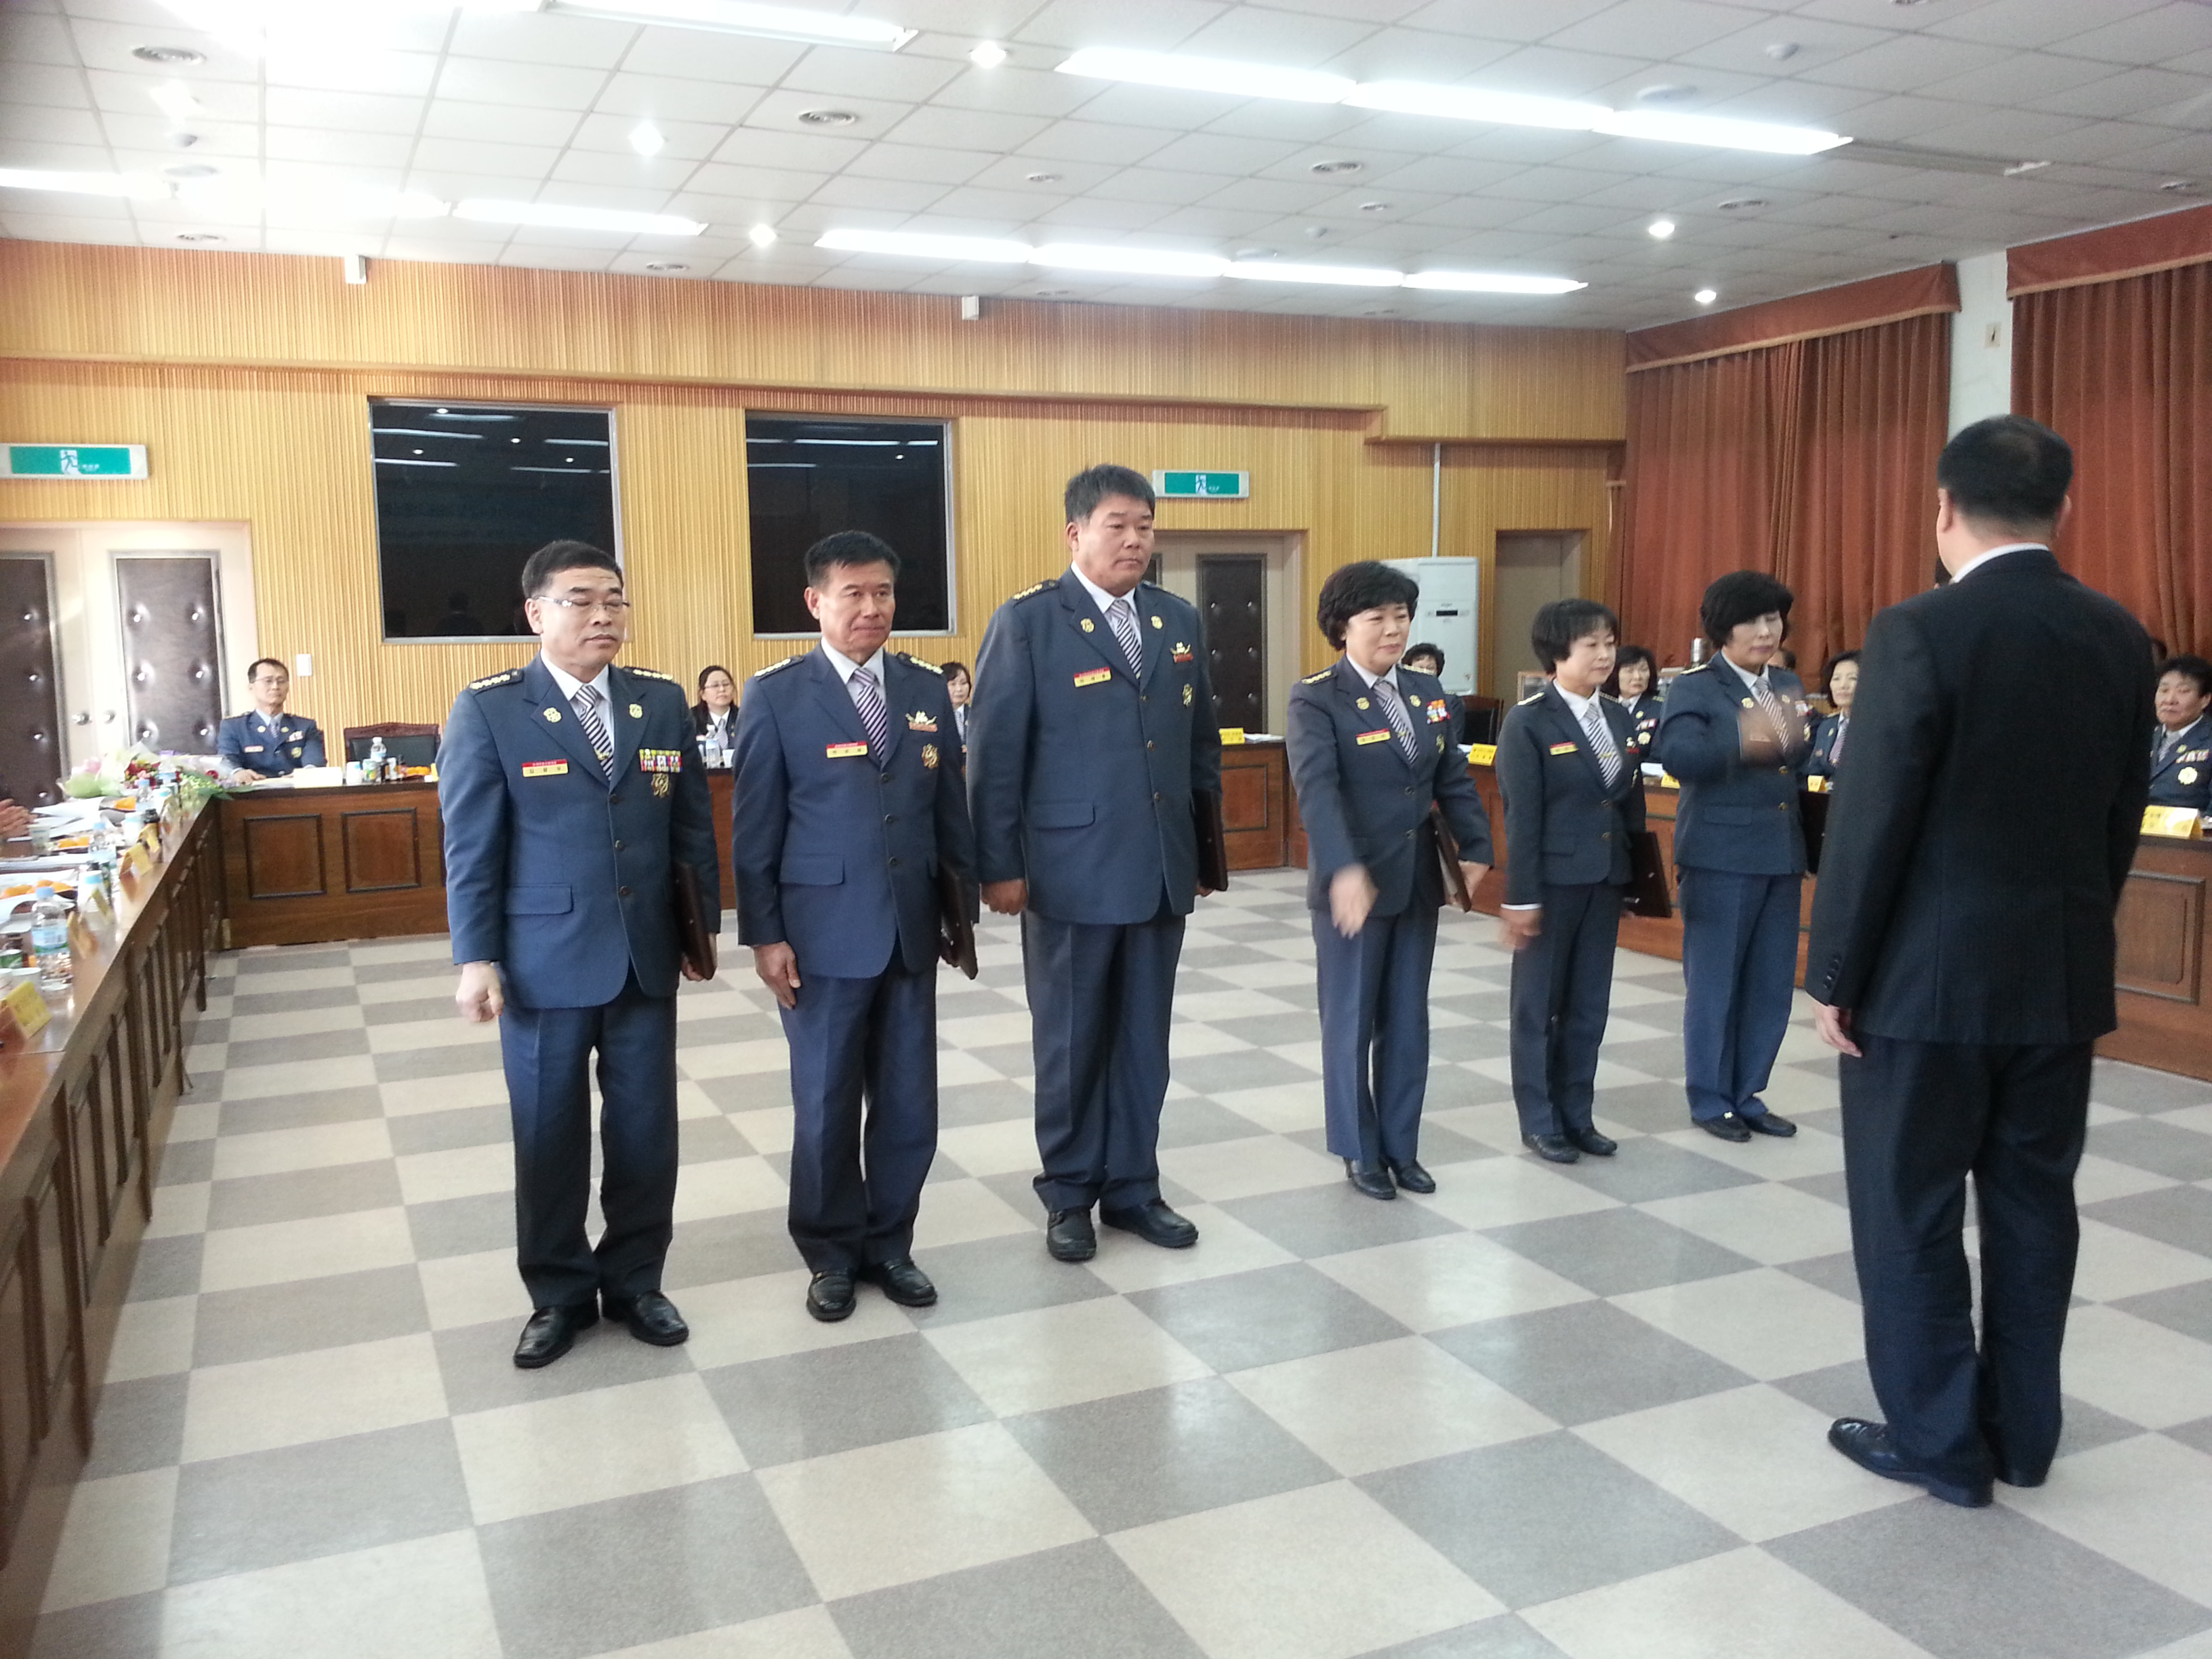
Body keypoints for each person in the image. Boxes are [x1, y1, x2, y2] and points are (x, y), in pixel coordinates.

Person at [1807, 415, 2153, 1509]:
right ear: (2065, 507)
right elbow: (2120, 815)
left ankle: (1939, 1443)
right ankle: (2021, 1433)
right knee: (2032, 1207)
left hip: (1923, 985)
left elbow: (1872, 820)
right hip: (2057, 977)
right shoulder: (2118, 634)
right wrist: (2070, 931)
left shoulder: (1918, 629)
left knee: (1907, 1207)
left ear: (1944, 506)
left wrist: (1834, 976)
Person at [439, 540, 720, 1369]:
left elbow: (691, 828)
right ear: (536, 613)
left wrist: (698, 931)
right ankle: (558, 1293)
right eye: (582, 600)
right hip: (542, 960)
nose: (604, 615)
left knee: (645, 1133)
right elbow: (471, 846)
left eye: (615, 600)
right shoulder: (492, 709)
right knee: (548, 1134)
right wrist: (476, 957)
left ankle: (636, 1281)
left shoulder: (658, 702)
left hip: (643, 957)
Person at [968, 464, 1222, 1262]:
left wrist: (1205, 853)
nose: (1135, 540)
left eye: (1145, 526)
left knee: (1145, 1040)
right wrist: (998, 865)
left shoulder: (1176, 619)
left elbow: (1200, 745)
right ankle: (1071, 1191)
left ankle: (1135, 1187)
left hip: (1159, 868)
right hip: (1069, 872)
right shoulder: (1030, 622)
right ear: (1075, 533)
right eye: (1118, 525)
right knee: (1073, 1042)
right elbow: (994, 756)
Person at [731, 532, 975, 1322]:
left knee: (909, 1102)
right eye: (854, 594)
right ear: (816, 602)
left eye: (884, 593)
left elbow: (949, 811)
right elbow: (755, 829)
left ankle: (891, 1243)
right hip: (820, 936)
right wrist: (765, 936)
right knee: (827, 1102)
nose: (872, 608)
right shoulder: (778, 694)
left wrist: (959, 915)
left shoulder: (923, 688)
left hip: (909, 930)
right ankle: (831, 1253)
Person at [1289, 565, 1491, 1200]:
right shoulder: (1317, 698)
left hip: (1418, 880)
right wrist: (1344, 867)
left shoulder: (1428, 691)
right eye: (1376, 617)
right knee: (1351, 1020)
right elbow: (1317, 791)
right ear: (1342, 627)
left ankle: (1402, 1145)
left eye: (1401, 615)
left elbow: (1452, 777)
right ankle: (1359, 1148)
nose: (1393, 628)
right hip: (1354, 887)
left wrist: (1478, 848)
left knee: (1407, 1019)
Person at [1656, 571, 1812, 1142]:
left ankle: (1747, 1092)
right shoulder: (1696, 687)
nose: (1767, 631)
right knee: (1716, 984)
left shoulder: (1788, 683)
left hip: (1781, 851)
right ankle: (1709, 1097)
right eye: (1753, 621)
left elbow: (1795, 759)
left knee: (1770, 985)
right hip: (1720, 855)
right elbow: (1679, 757)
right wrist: (1753, 733)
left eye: (1774, 619)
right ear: (1724, 629)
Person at [1498, 600, 1645, 1164]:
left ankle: (1577, 1114)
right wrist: (1521, 898)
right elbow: (1522, 818)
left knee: (1588, 1005)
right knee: (1538, 1007)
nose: (1606, 655)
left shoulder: (1620, 718)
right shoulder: (1529, 721)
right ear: (1558, 653)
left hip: (1604, 881)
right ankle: (1540, 1120)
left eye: (1610, 642)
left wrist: (1634, 883)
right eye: (1592, 645)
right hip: (1552, 884)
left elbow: (1628, 807)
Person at [216, 659, 326, 782]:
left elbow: (315, 761)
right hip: (253, 791)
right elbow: (227, 760)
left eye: (281, 681)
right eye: (268, 681)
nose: (275, 687)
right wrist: (237, 772)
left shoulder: (305, 726)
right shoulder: (234, 727)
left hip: (296, 790)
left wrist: (307, 774)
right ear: (251, 687)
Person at [2148, 654, 2211, 811]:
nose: (2169, 700)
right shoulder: (2142, 737)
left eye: (2183, 691)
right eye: (2164, 690)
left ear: (2205, 699)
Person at [1804, 651, 1860, 781]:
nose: (1843, 685)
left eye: (1853, 678)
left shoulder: (1877, 727)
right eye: (1836, 679)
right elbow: (1815, 772)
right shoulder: (1826, 726)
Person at [1606, 644, 1663, 760]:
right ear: (1614, 673)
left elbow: (1658, 758)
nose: (1638, 677)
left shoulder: (1660, 709)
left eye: (1643, 670)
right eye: (1629, 671)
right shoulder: (1603, 706)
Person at [1401, 643, 1465, 744]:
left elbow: (1454, 739)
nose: (1424, 673)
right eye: (1419, 668)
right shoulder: (1399, 699)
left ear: (1437, 672)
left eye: (1430, 668)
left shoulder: (1450, 701)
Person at [691, 664, 737, 765]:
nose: (722, 689)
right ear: (703, 694)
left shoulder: (744, 717)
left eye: (726, 684)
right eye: (715, 686)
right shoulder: (691, 719)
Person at [940, 659, 973, 750]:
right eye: (953, 684)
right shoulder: (935, 716)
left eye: (963, 683)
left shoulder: (977, 713)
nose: (959, 689)